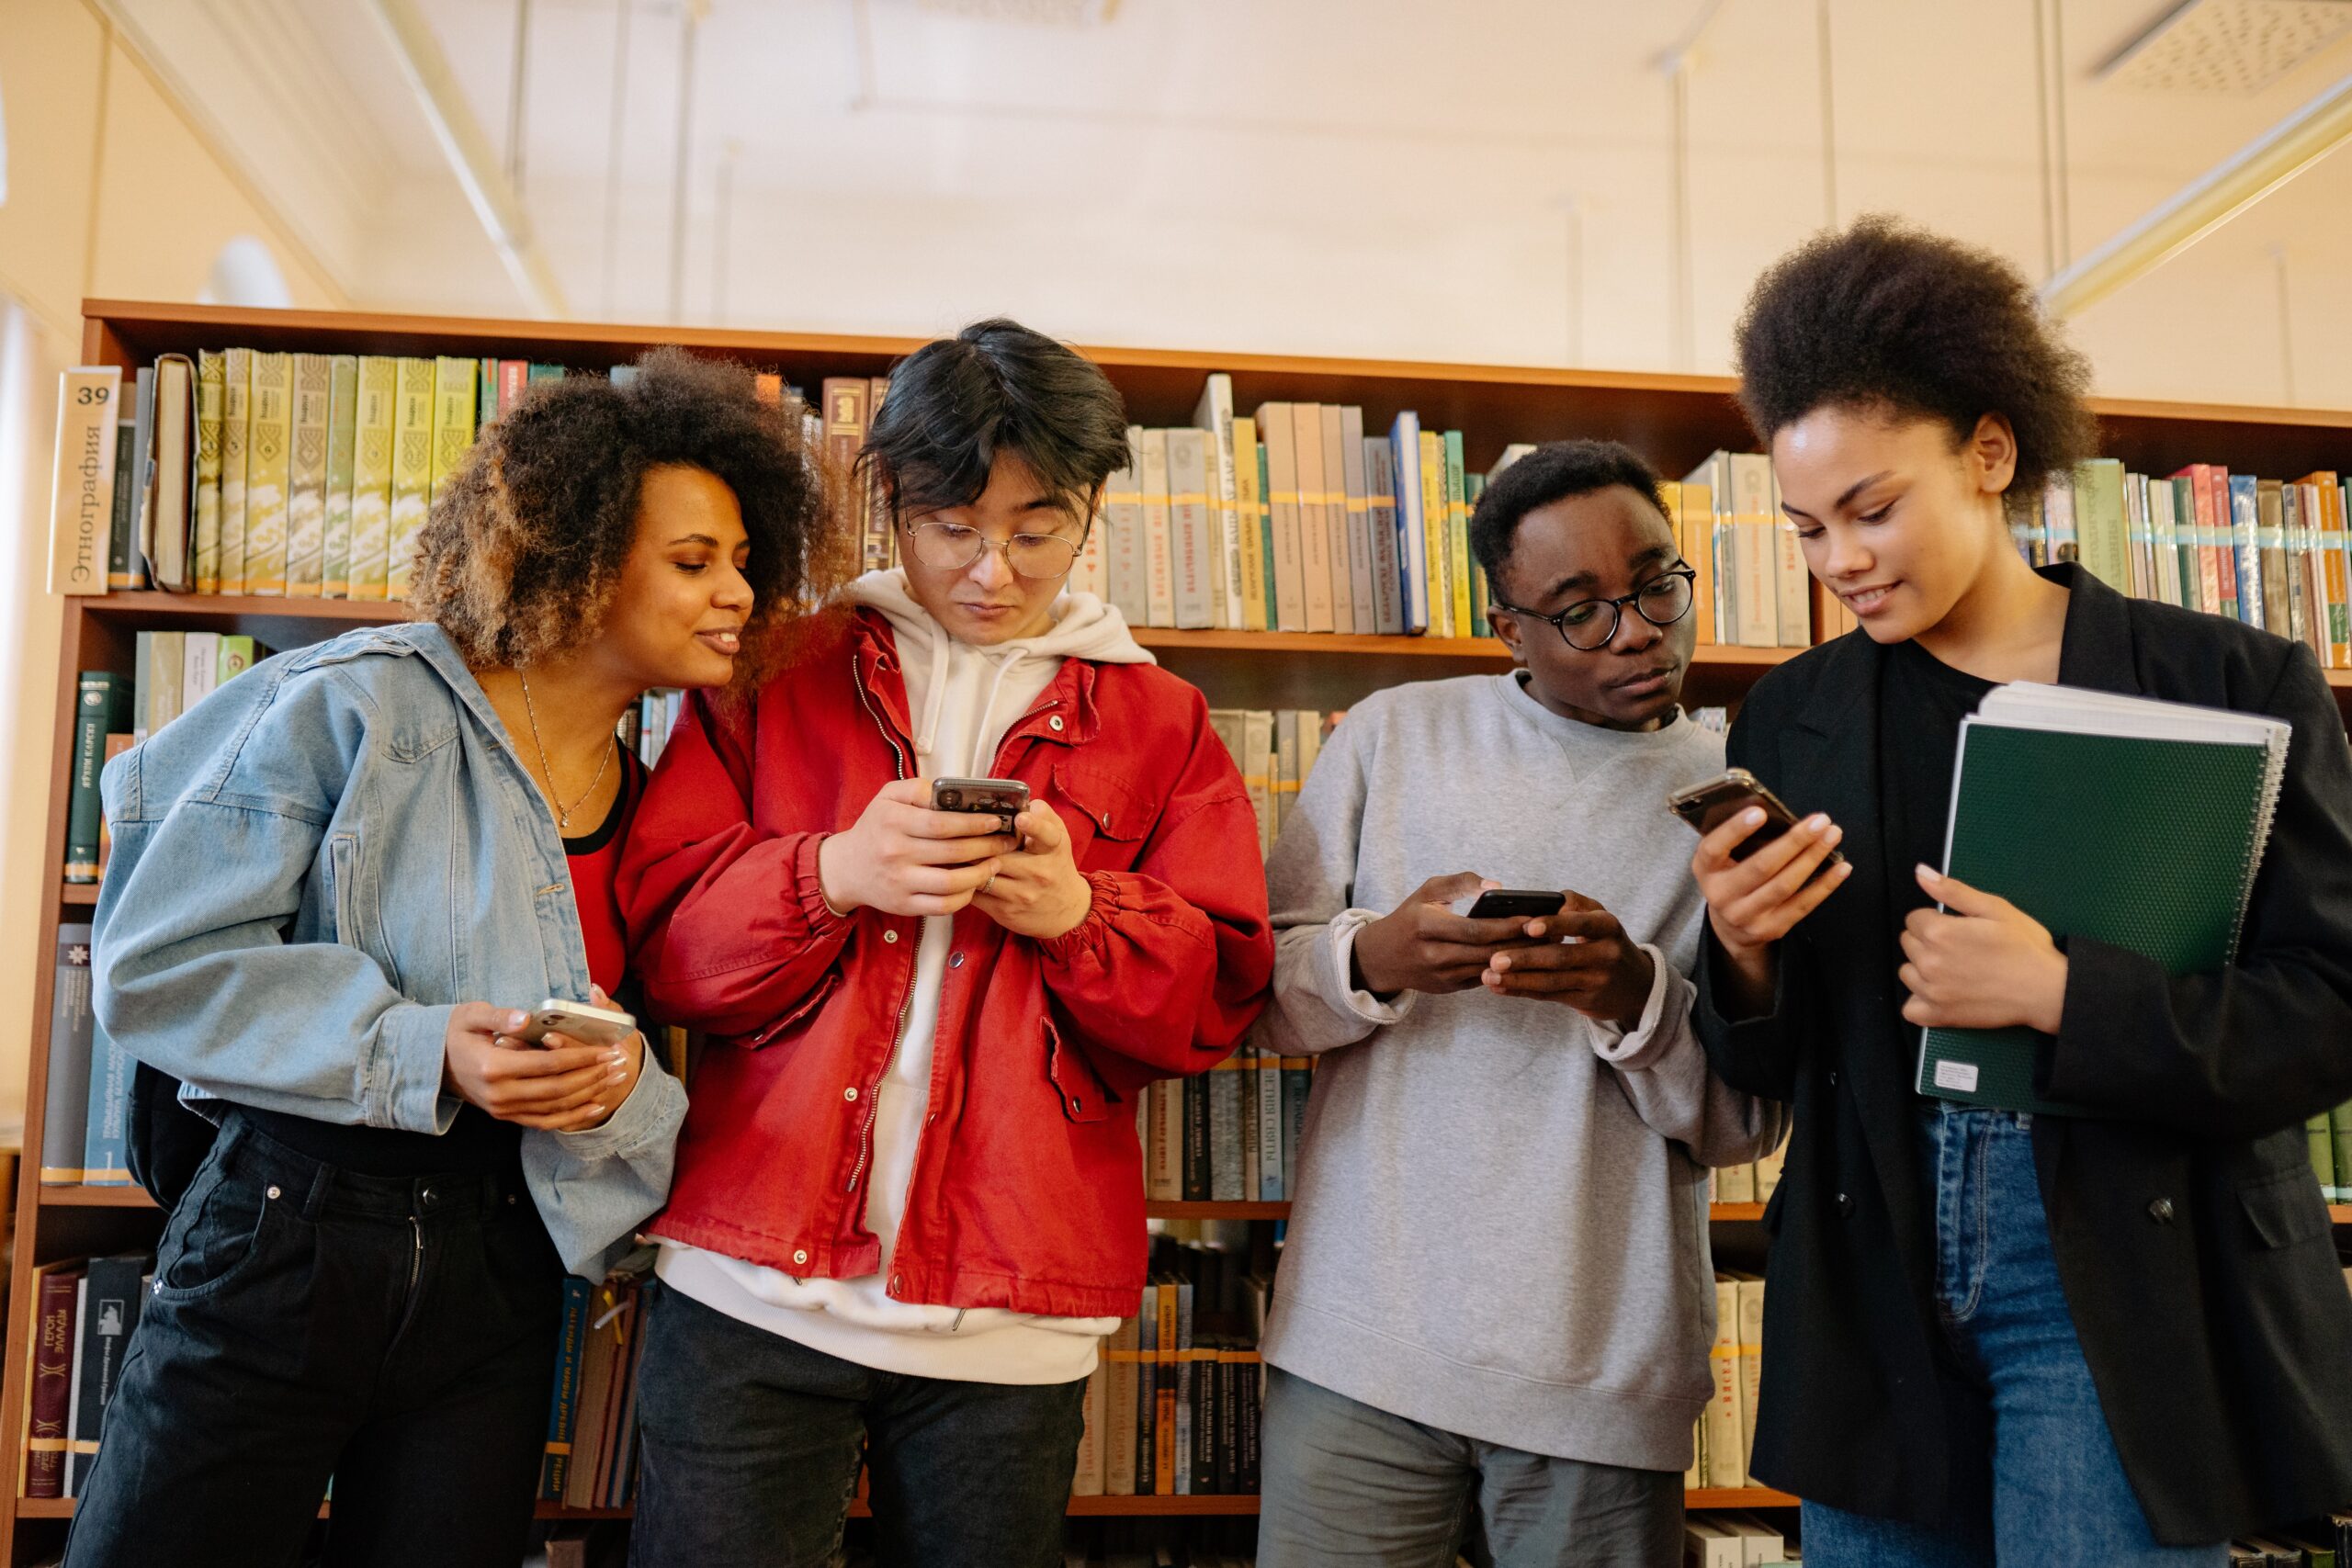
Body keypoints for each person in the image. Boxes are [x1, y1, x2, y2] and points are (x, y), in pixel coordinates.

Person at [73, 349, 837, 1568]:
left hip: (503, 1261)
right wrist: (429, 1047)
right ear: (577, 557)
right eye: (695, 561)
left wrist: (614, 1086)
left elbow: (642, 1057)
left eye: (745, 559)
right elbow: (160, 964)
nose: (738, 592)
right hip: (287, 1230)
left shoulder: (663, 803)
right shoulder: (350, 702)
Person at [1690, 217, 2352, 1566]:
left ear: (1991, 454)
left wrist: (2063, 993)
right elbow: (1768, 1054)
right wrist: (1742, 952)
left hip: (2121, 1268)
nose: (1841, 561)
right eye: (1807, 526)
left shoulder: (2230, 681)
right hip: (1868, 1274)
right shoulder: (1792, 713)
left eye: (1874, 508)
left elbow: (2331, 1005)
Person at [617, 318, 1275, 1568]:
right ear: (890, 507)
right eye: (953, 527)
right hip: (749, 1283)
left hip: (1010, 1315)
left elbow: (1216, 1000)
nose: (994, 569)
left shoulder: (1163, 718)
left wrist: (1085, 916)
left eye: (1038, 530)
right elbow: (664, 944)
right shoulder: (776, 669)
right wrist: (835, 873)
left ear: (1092, 514)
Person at [1253, 439, 1787, 1568]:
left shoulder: (1737, 805)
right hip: (1361, 1347)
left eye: (1655, 584)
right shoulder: (1393, 736)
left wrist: (1633, 993)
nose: (1637, 629)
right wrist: (1377, 958)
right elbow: (1258, 1002)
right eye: (1578, 609)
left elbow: (1745, 1128)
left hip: (1600, 1377)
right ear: (1509, 628)